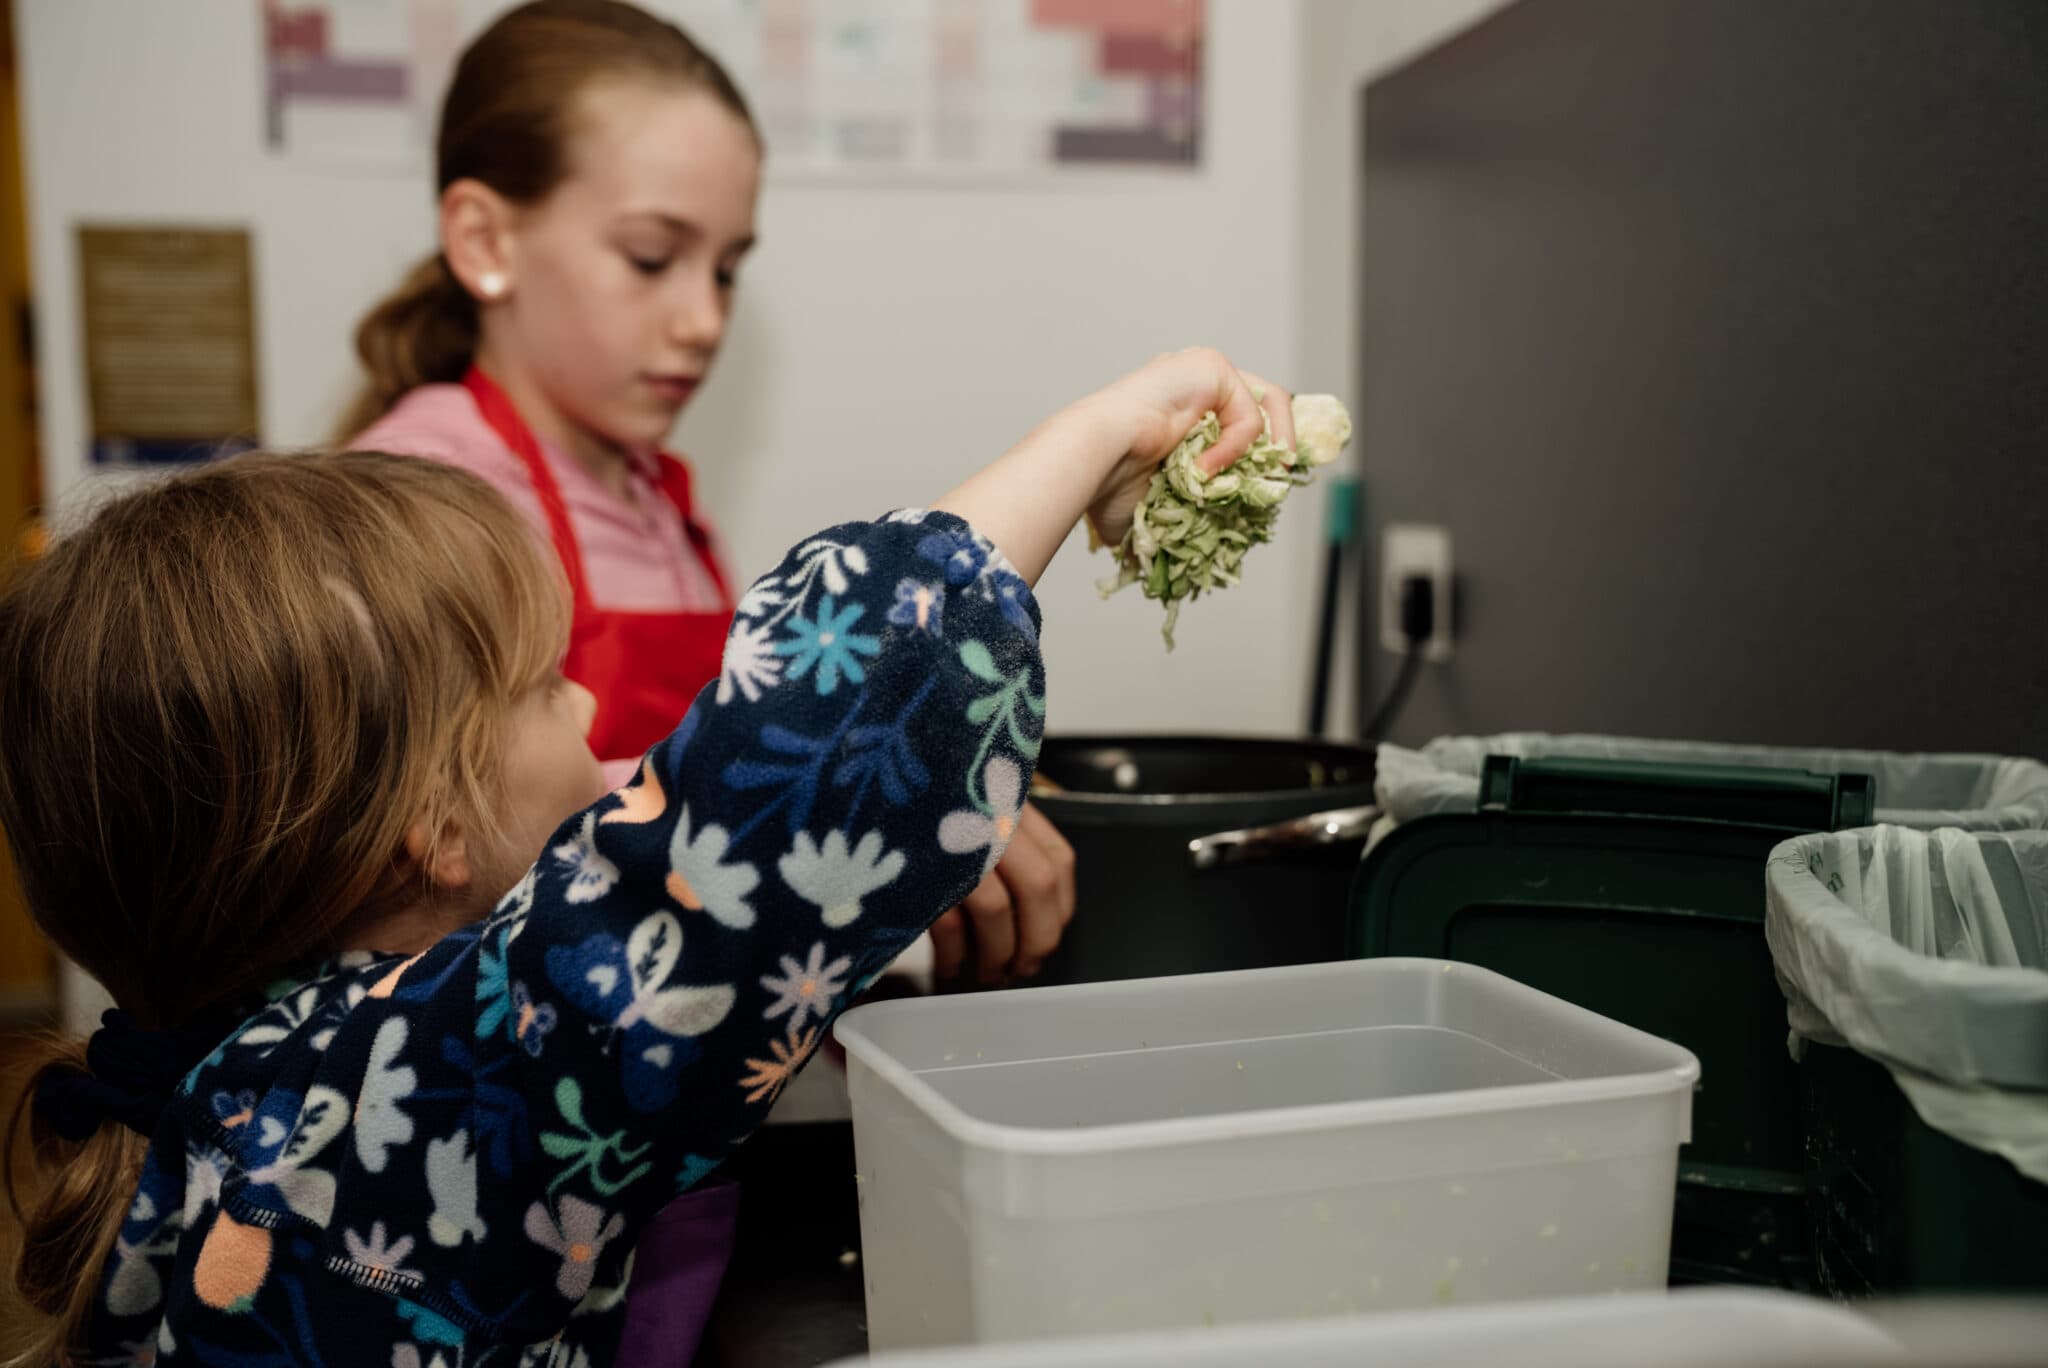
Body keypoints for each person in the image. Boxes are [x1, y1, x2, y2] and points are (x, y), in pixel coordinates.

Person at [0, 348, 1290, 1365]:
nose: (584, 712)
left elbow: (655, 901)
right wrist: (1100, 432)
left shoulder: (265, 1085)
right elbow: (788, 770)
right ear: (432, 835)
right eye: (542, 682)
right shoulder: (364, 1127)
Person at [342, 0, 1092, 991]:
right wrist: (878, 805)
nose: (702, 320)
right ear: (484, 240)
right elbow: (448, 855)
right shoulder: (430, 497)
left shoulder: (657, 497)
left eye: (728, 270)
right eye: (652, 258)